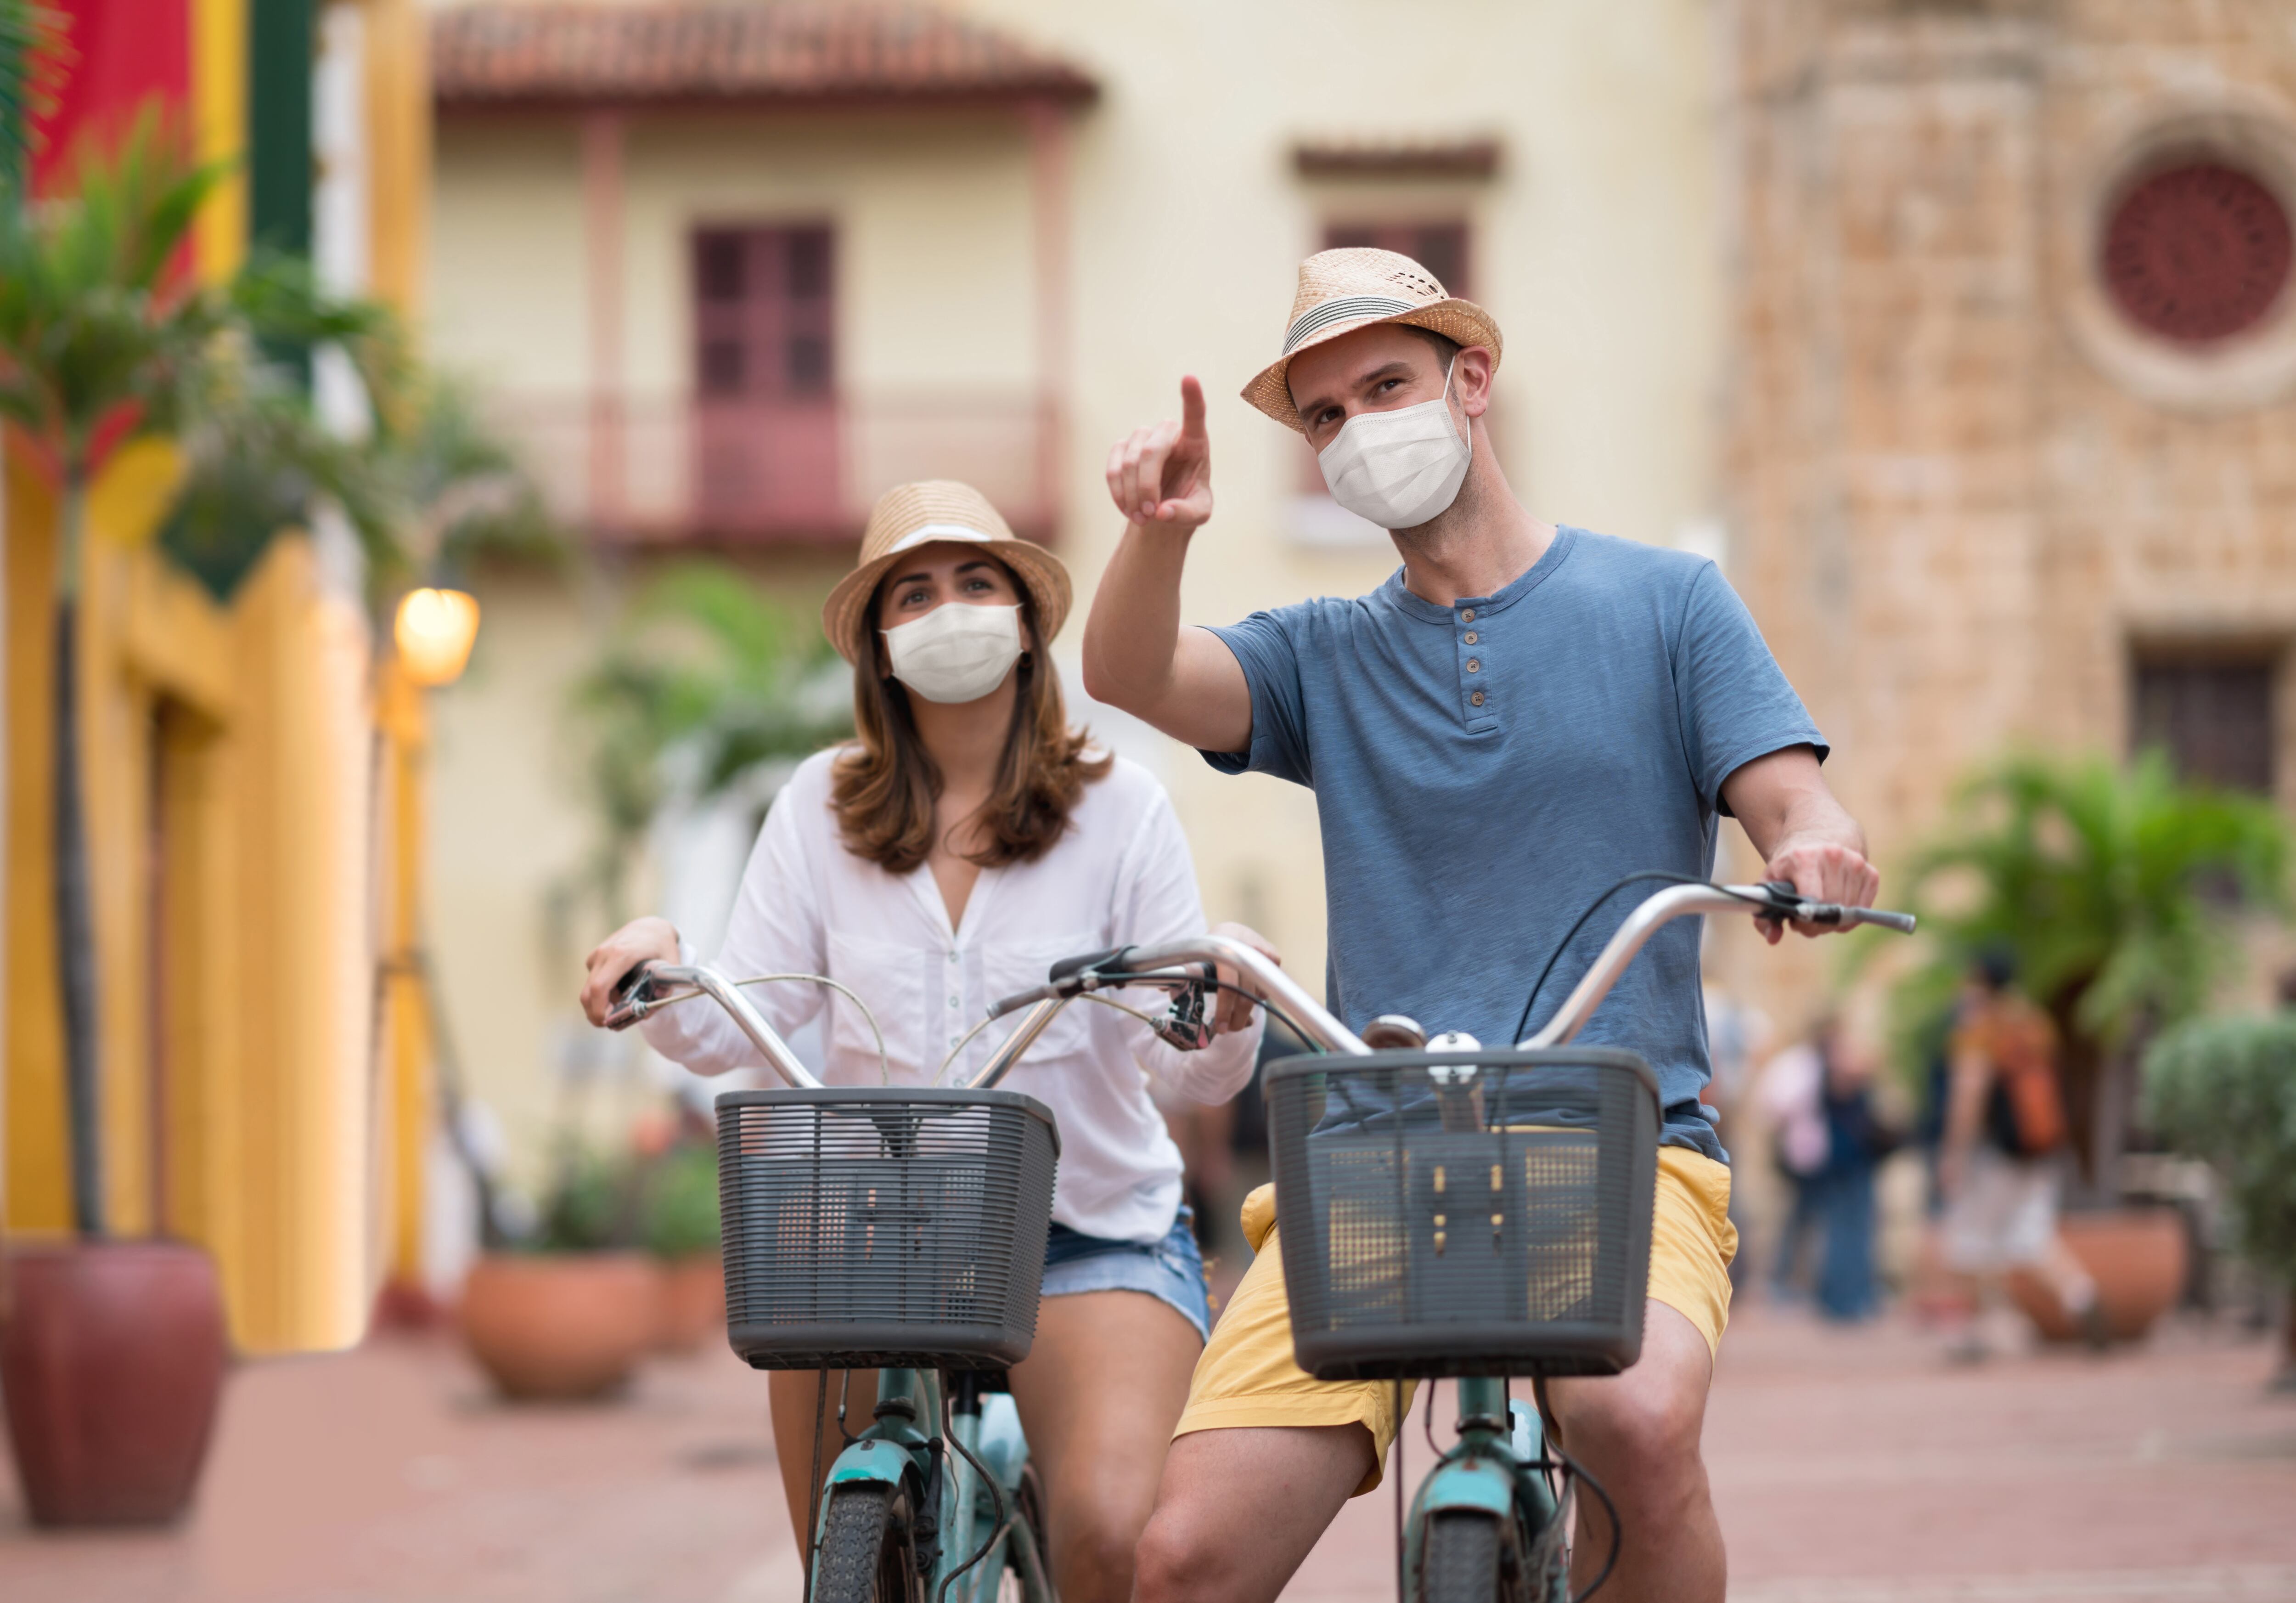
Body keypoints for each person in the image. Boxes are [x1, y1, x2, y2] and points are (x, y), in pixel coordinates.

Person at [1083, 248, 1882, 1603]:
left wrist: (1814, 843)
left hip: (1621, 1149)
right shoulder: (1319, 652)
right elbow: (1132, 672)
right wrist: (1159, 530)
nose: (1356, 430)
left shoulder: (1665, 604)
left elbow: (1791, 796)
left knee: (1633, 1424)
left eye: (1383, 385)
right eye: (1324, 415)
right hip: (1371, 1165)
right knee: (1183, 1554)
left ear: (1470, 379)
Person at [578, 481, 1277, 1603]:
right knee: (842, 1565)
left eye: (974, 584)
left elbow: (1175, 1057)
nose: (948, 610)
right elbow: (744, 1012)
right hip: (869, 1249)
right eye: (914, 593)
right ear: (880, 646)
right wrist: (658, 957)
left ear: (1022, 621)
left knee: (1111, 1534)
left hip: (1085, 1233)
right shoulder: (815, 807)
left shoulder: (1124, 807)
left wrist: (1225, 1008)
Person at [1937, 950, 2103, 1357]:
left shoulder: (1981, 1028)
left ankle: (1979, 1334)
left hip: (1995, 1154)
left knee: (1972, 1241)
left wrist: (1954, 1153)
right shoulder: (2034, 1023)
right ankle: (2083, 1298)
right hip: (2040, 1148)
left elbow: (1969, 1095)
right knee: (2033, 1239)